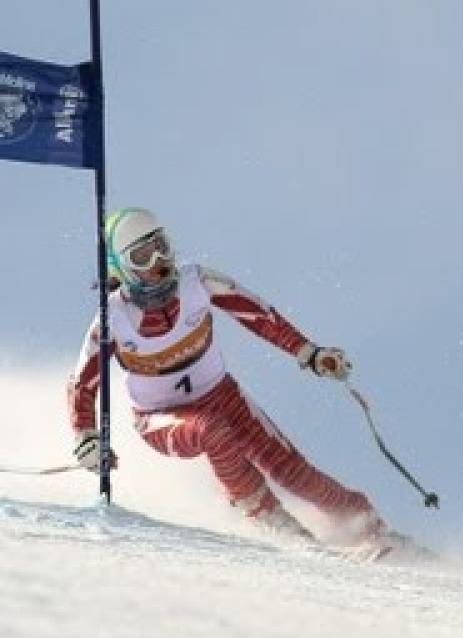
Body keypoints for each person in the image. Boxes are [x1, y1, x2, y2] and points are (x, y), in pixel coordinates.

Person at [67, 207, 404, 559]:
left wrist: (310, 353)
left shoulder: (196, 283)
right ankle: (271, 519)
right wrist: (86, 436)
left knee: (297, 474)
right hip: (160, 417)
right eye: (141, 255)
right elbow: (82, 384)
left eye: (162, 246)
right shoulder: (113, 318)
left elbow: (259, 315)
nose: (158, 261)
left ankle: (375, 532)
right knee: (209, 430)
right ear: (119, 268)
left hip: (224, 396)